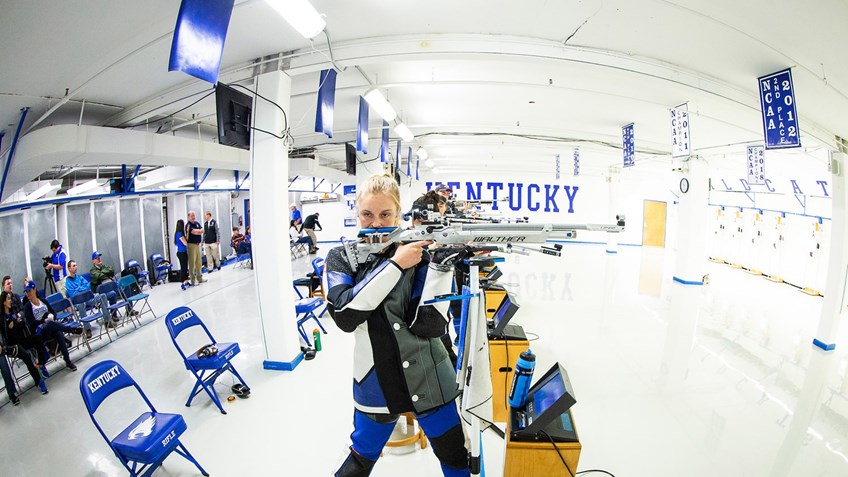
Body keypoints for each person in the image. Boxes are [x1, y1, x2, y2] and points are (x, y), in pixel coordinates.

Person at [325, 174, 470, 477]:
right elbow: (345, 316)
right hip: (376, 380)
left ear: (398, 214)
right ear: (357, 214)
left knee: (455, 455)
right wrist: (395, 265)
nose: (376, 223)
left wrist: (442, 267)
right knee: (360, 460)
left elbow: (429, 325)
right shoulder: (341, 257)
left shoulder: (419, 253)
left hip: (431, 374)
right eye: (367, 214)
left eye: (385, 214)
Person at [21, 280, 82, 372]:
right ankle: (71, 329)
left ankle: (68, 361)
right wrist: (43, 320)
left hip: (50, 328)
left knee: (59, 333)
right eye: (26, 292)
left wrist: (52, 316)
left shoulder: (43, 301)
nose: (28, 293)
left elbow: (53, 312)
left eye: (29, 291)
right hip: (39, 332)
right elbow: (31, 323)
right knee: (50, 324)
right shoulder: (27, 307)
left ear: (34, 290)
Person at [65, 260, 118, 337]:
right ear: (69, 268)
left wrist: (78, 288)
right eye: (73, 266)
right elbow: (73, 294)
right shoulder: (68, 282)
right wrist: (81, 288)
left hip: (88, 298)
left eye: (76, 265)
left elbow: (88, 286)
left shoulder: (80, 277)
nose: (75, 267)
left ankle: (107, 321)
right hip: (79, 301)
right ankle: (87, 329)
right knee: (81, 304)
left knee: (102, 295)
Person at [185, 211, 205, 285]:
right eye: (192, 216)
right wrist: (199, 231)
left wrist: (199, 231)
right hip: (191, 245)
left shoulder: (197, 223)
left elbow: (202, 230)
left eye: (194, 215)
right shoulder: (188, 225)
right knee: (192, 263)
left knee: (199, 262)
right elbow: (193, 232)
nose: (193, 217)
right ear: (188, 217)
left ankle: (199, 278)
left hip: (198, 245)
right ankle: (193, 280)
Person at [175, 220, 190, 287]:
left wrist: (187, 231)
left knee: (185, 267)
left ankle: (186, 280)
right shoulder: (179, 234)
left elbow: (186, 238)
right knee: (183, 267)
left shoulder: (180, 233)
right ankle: (183, 281)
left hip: (183, 252)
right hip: (181, 253)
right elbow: (185, 242)